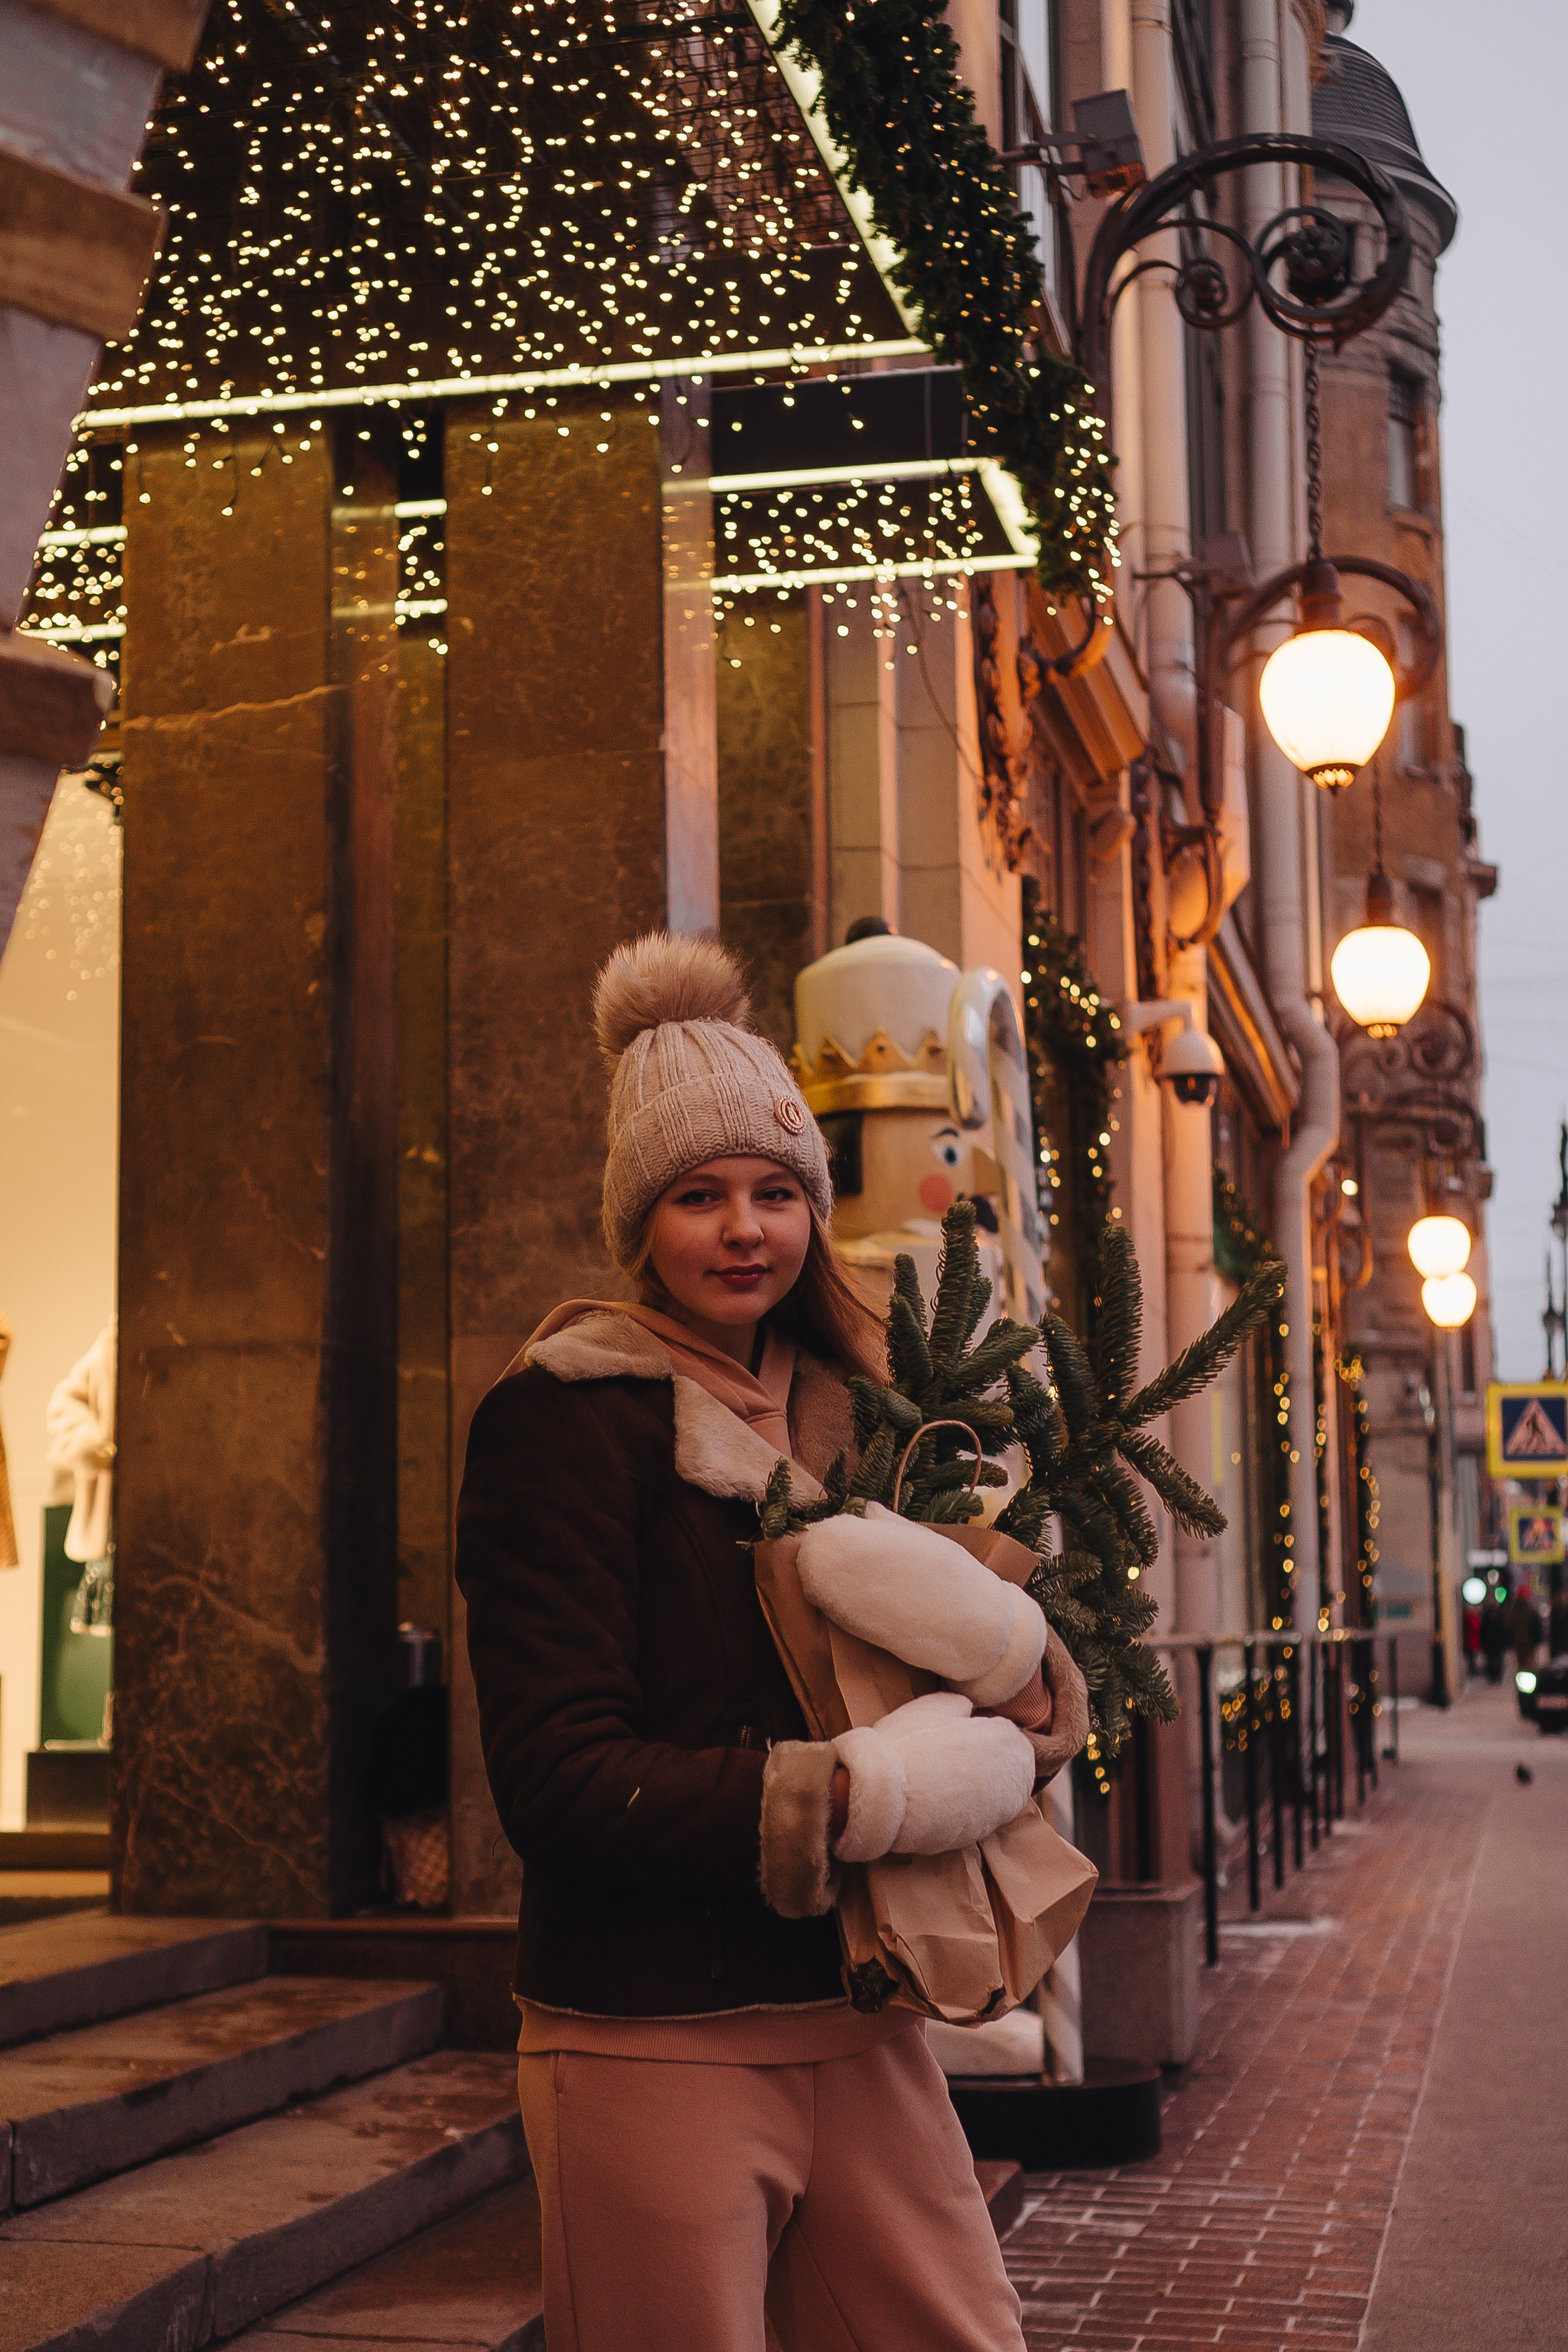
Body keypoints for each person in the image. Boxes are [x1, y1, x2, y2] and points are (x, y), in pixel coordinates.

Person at [456, 934, 1089, 2352]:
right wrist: (853, 1792)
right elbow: (557, 1773)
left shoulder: (869, 1418)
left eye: (773, 1192)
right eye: (698, 1195)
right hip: (644, 2028)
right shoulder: (560, 1422)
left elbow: (975, 1671)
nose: (743, 1228)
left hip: (863, 2019)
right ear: (640, 1224)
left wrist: (1032, 1690)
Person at [1505, 1581, 1544, 1674]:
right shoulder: (1531, 1610)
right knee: (1530, 1664)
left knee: (1520, 1664)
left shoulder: (1512, 1611)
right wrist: (1539, 1640)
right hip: (1530, 1642)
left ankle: (1522, 1682)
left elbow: (1508, 1627)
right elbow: (1537, 1627)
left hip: (1517, 1642)